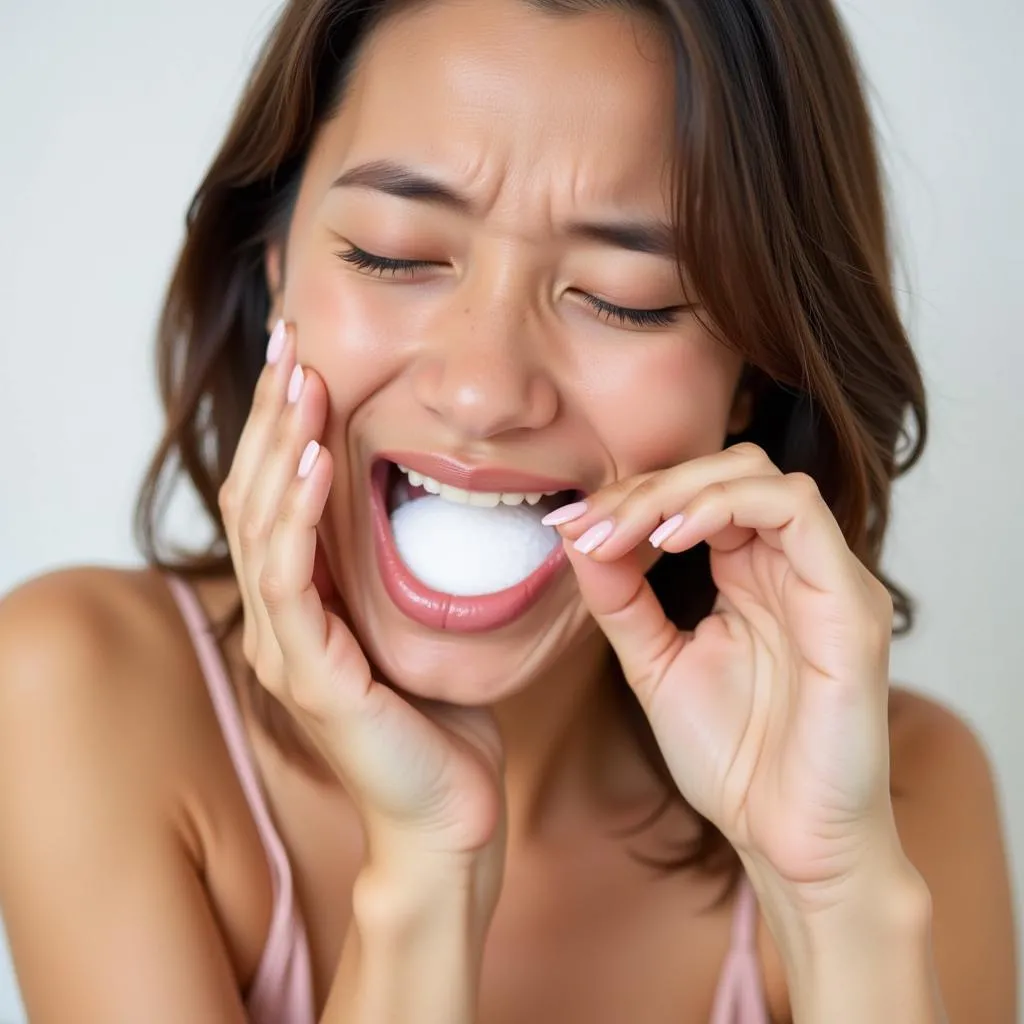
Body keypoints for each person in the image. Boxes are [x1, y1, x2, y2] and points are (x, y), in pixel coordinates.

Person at [0, 0, 1016, 1021]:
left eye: (627, 296)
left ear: (752, 375)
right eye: (395, 252)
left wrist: (832, 896)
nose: (484, 390)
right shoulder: (80, 687)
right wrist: (424, 870)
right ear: (275, 268)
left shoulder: (895, 793)